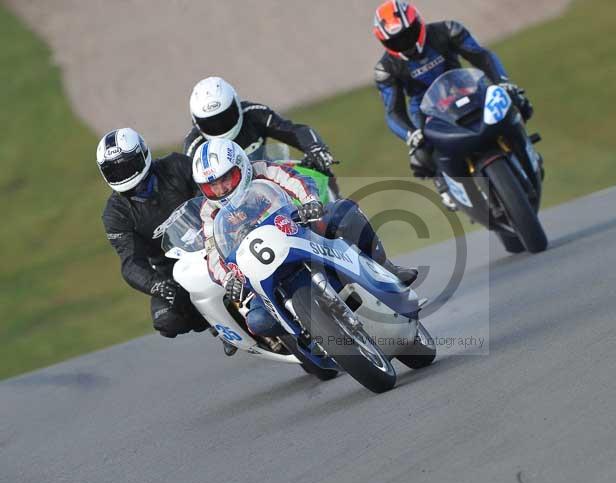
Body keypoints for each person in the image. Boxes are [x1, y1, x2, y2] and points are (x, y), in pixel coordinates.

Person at [192, 139, 418, 350]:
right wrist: (227, 278)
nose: (221, 190)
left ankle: (386, 268)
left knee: (343, 212)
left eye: (225, 179)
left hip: (298, 233)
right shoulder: (208, 211)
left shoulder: (262, 170)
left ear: (241, 166)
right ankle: (303, 341)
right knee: (258, 320)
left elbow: (296, 180)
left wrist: (310, 201)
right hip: (259, 266)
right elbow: (212, 253)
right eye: (212, 186)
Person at [372, 1, 534, 209]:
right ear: (384, 42)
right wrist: (411, 134)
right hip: (425, 109)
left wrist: (502, 81)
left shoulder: (448, 30)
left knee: (513, 99)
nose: (405, 43)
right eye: (396, 41)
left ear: (418, 23)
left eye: (408, 34)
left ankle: (526, 151)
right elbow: (393, 111)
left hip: (467, 88)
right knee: (421, 149)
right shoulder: (385, 69)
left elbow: (482, 56)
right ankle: (443, 184)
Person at [98, 128, 208, 339]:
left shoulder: (177, 165)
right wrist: (156, 285)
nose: (124, 175)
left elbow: (211, 195)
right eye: (115, 171)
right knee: (167, 321)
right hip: (172, 268)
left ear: (142, 155)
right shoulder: (115, 214)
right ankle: (216, 325)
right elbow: (130, 262)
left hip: (213, 240)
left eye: (127, 166)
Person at [183, 76, 339, 195]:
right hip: (232, 201)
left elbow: (293, 131)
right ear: (196, 122)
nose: (218, 126)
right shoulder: (194, 145)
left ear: (236, 104)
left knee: (321, 175)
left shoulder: (254, 113)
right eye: (209, 123)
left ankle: (341, 216)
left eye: (224, 118)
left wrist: (315, 147)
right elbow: (193, 189)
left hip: (272, 180)